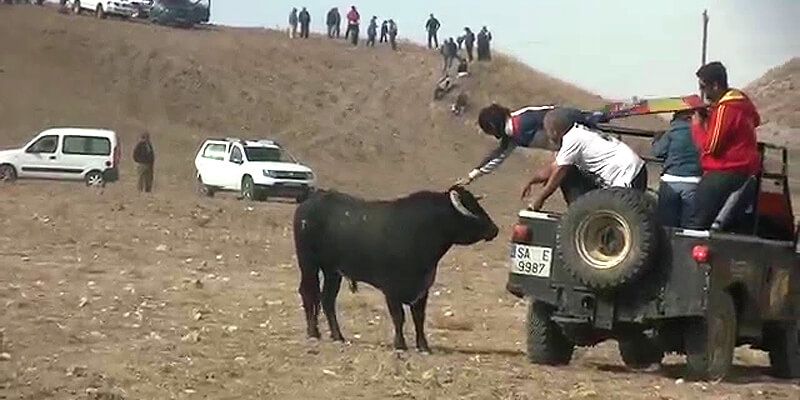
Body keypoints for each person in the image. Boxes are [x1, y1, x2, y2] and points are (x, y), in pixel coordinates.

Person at [455, 104, 606, 189]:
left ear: (493, 126)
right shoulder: (513, 136)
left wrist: (588, 118)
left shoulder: (524, 121)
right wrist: (472, 176)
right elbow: (496, 157)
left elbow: (554, 112)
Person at [527, 108, 647, 211]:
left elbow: (559, 172)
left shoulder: (573, 140)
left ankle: (579, 213)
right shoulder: (577, 134)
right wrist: (532, 181)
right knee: (569, 172)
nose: (547, 135)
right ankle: (580, 212)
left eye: (547, 131)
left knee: (615, 214)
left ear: (554, 131)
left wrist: (540, 199)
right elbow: (554, 167)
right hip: (633, 171)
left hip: (629, 174)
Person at [690, 61, 761, 229]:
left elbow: (710, 147)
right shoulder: (741, 103)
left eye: (703, 87)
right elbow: (755, 121)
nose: (703, 93)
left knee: (699, 224)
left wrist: (698, 126)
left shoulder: (725, 109)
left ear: (715, 85)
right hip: (744, 173)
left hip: (724, 172)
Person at [651, 110, 702, 227]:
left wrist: (657, 140)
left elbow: (657, 152)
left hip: (671, 181)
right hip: (693, 182)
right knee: (689, 225)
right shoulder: (701, 132)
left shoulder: (672, 132)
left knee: (666, 224)